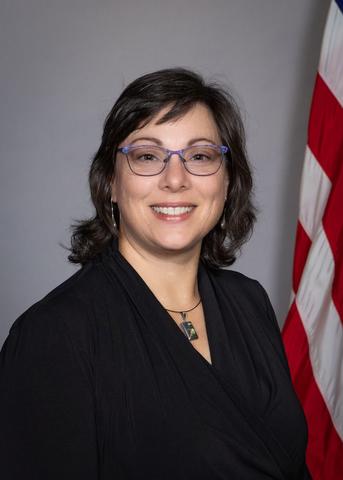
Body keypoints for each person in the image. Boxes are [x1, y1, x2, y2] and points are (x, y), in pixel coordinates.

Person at [0, 68, 311, 479]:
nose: (175, 180)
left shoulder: (249, 301)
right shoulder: (54, 335)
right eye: (148, 156)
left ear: (227, 178)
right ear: (110, 181)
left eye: (200, 156)